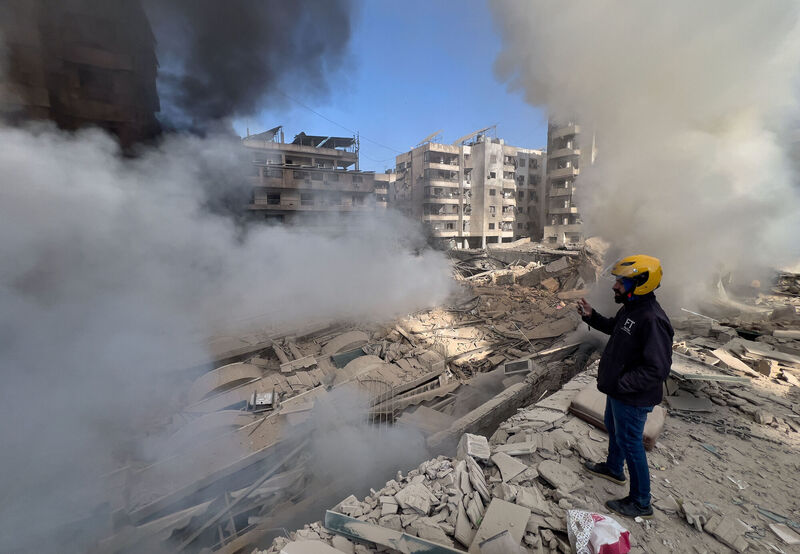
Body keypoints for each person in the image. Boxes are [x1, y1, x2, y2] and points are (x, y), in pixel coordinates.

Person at [576, 255, 673, 518]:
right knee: (615, 430)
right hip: (619, 392)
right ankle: (613, 469)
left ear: (640, 283)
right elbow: (615, 328)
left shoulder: (652, 319)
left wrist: (623, 384)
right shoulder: (631, 309)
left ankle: (641, 502)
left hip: (632, 397)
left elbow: (658, 368)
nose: (615, 286)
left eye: (621, 281)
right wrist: (591, 317)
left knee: (632, 443)